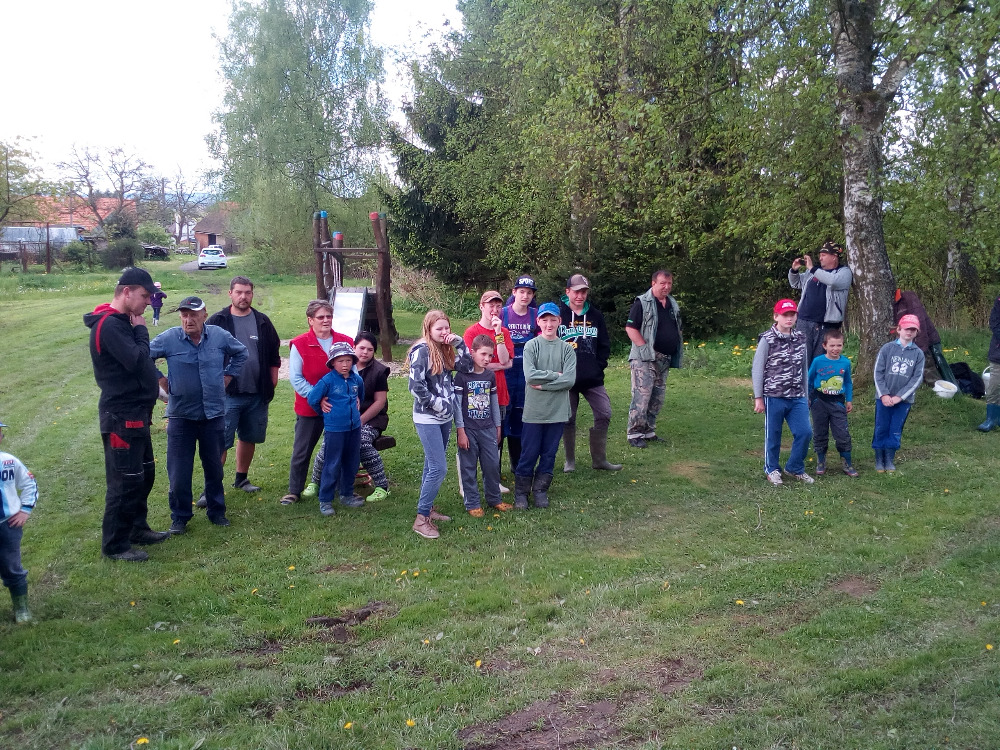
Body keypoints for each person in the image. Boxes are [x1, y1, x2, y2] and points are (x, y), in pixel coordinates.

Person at [83, 267, 171, 562]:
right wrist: (142, 331)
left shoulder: (122, 323)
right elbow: (137, 361)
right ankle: (115, 544)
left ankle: (137, 528)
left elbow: (141, 366)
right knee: (124, 480)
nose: (148, 302)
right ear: (126, 292)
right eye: (145, 296)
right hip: (121, 417)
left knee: (143, 474)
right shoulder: (110, 325)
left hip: (137, 414)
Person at [150, 296, 248, 533]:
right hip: (180, 416)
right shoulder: (169, 338)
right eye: (184, 315)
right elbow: (143, 355)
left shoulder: (219, 336)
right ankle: (180, 517)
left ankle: (217, 511)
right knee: (179, 472)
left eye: (193, 315)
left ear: (204, 314)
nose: (188, 320)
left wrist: (228, 376)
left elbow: (241, 353)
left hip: (213, 415)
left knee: (214, 467)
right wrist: (161, 380)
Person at [203, 276, 282, 499]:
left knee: (249, 437)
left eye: (247, 292)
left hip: (257, 393)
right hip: (226, 395)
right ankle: (211, 488)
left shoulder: (263, 321)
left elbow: (274, 356)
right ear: (230, 293)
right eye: (238, 292)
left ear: (252, 294)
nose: (243, 297)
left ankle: (241, 478)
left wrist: (272, 381)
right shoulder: (218, 321)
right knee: (220, 441)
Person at [304, 332, 392, 502]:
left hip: (371, 419)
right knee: (328, 445)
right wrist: (323, 403)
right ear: (354, 348)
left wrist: (360, 420)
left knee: (361, 442)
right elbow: (319, 393)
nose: (365, 352)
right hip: (342, 419)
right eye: (362, 348)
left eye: (370, 349)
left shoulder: (379, 371)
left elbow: (379, 402)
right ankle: (316, 482)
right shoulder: (340, 369)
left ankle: (382, 486)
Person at [407, 310, 473, 539]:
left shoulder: (445, 348)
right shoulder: (422, 351)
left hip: (445, 418)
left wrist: (459, 343)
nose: (444, 332)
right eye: (439, 329)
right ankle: (420, 519)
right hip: (427, 418)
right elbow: (415, 387)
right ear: (429, 329)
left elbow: (467, 367)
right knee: (438, 467)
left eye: (447, 327)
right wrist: (438, 404)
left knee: (431, 465)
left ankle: (428, 508)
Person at [282, 300, 354, 506]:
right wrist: (318, 397)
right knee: (302, 450)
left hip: (340, 407)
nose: (325, 320)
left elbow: (353, 373)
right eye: (320, 317)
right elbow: (296, 378)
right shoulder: (300, 344)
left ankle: (340, 489)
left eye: (329, 316)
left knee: (339, 448)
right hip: (309, 406)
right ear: (310, 320)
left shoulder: (345, 341)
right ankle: (294, 490)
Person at [515, 302, 577, 509]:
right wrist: (555, 375)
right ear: (538, 322)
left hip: (557, 411)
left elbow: (569, 380)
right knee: (529, 452)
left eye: (553, 320)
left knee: (549, 453)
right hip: (534, 412)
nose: (549, 324)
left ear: (559, 321)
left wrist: (544, 385)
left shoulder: (567, 349)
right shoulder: (531, 346)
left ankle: (540, 490)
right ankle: (521, 493)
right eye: (544, 320)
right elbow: (530, 376)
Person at [557, 274, 622, 472]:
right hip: (567, 378)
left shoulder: (595, 315)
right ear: (568, 291)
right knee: (568, 418)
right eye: (576, 292)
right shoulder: (559, 314)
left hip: (592, 378)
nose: (580, 296)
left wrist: (597, 366)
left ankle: (599, 460)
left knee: (604, 413)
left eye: (584, 292)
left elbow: (604, 344)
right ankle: (569, 461)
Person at [752, 299, 813, 486]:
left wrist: (806, 395)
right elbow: (758, 368)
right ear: (776, 316)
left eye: (792, 315)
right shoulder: (767, 339)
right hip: (774, 396)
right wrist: (758, 397)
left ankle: (794, 467)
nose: (789, 318)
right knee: (774, 435)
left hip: (797, 396)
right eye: (785, 315)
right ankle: (772, 469)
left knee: (805, 432)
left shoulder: (800, 338)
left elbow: (804, 368)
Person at [461, 291, 513, 495]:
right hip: (475, 393)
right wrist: (497, 365)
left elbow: (506, 361)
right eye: (491, 305)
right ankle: (467, 484)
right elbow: (470, 364)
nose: (495, 309)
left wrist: (498, 333)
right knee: (470, 439)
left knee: (496, 438)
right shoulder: (471, 332)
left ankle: (493, 481)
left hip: (499, 392)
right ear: (482, 306)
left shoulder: (504, 332)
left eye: (498, 306)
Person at [455, 334, 512, 517]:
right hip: (468, 430)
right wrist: (461, 431)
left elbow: (494, 402)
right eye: (483, 354)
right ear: (472, 353)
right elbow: (457, 406)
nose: (487, 359)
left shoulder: (490, 375)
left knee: (492, 465)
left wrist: (497, 426)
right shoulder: (461, 376)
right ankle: (472, 502)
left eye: (490, 355)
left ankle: (494, 499)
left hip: (488, 428)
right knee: (468, 467)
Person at [625, 269, 683, 448]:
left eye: (669, 283)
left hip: (664, 359)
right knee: (642, 397)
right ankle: (634, 433)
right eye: (662, 283)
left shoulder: (672, 303)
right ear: (653, 283)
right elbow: (630, 328)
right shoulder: (642, 302)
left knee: (657, 397)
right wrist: (644, 349)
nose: (666, 287)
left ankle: (648, 431)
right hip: (644, 358)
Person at [307, 342, 366, 517]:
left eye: (348, 360)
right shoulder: (327, 381)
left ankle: (346, 494)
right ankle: (325, 499)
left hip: (354, 428)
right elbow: (312, 399)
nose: (345, 365)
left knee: (352, 462)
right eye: (340, 361)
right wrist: (324, 411)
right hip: (335, 430)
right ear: (332, 362)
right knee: (332, 463)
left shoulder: (357, 380)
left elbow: (360, 396)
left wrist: (356, 406)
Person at [873, 314, 925, 472]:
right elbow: (878, 373)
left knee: (895, 429)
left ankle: (889, 458)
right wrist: (884, 394)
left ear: (916, 332)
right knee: (881, 427)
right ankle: (879, 458)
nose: (909, 332)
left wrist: (900, 397)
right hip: (883, 399)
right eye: (906, 329)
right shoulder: (887, 349)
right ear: (899, 329)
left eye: (913, 330)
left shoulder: (918, 354)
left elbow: (916, 379)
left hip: (903, 401)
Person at [788, 241, 852, 364]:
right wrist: (794, 271)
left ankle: (818, 378)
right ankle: (802, 378)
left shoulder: (844, 272)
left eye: (824, 255)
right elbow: (796, 283)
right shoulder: (812, 273)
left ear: (834, 257)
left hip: (826, 324)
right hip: (804, 321)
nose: (820, 258)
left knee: (820, 361)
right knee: (801, 360)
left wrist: (812, 268)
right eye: (820, 255)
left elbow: (832, 281)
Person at [0, 420, 38, 623]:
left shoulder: (8, 461)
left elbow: (29, 483)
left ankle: (21, 607)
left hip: (7, 525)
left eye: (0, 433)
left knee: (11, 566)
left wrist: (25, 510)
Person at [807, 329, 859, 477]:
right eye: (832, 345)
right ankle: (821, 460)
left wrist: (849, 400)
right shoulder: (818, 361)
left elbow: (848, 382)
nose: (835, 349)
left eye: (839, 345)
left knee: (842, 433)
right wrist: (808, 398)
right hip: (819, 401)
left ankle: (846, 462)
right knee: (820, 431)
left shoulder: (845, 362)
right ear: (824, 346)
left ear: (842, 345)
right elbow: (809, 380)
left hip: (837, 402)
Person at [501, 275, 538, 473]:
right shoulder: (502, 313)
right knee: (501, 417)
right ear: (514, 292)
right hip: (505, 372)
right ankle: (494, 469)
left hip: (526, 373)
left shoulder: (536, 315)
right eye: (521, 291)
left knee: (520, 417)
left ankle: (518, 466)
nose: (525, 296)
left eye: (529, 293)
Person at [893, 289, 954, 386]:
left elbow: (920, 322)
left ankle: (943, 390)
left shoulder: (908, 298)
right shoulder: (896, 304)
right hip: (915, 341)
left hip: (927, 341)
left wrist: (921, 347)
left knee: (934, 369)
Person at [978, 294, 1000, 432]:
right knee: (994, 386)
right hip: (998, 353)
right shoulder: (999, 301)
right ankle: (991, 419)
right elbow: (994, 323)